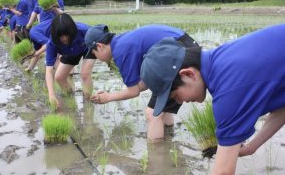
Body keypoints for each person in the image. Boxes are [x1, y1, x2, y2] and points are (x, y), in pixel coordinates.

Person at [140, 23, 285, 174]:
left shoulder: (228, 91)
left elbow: (223, 172)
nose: (178, 101)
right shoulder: (222, 61)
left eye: (175, 95)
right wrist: (252, 147)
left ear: (189, 74)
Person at [84, 24, 199, 141]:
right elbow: (145, 82)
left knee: (152, 114)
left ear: (99, 46)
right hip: (184, 45)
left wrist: (108, 97)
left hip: (178, 51)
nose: (97, 58)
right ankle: (168, 137)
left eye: (94, 54)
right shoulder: (122, 42)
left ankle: (157, 155)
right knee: (162, 104)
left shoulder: (121, 51)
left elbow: (133, 91)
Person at [45, 13, 95, 107]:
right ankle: (71, 98)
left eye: (66, 35)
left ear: (72, 30)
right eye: (60, 36)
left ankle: (87, 103)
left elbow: (103, 39)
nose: (64, 38)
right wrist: (51, 95)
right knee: (59, 77)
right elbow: (49, 70)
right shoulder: (52, 43)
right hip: (70, 52)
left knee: (85, 73)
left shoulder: (84, 30)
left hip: (87, 48)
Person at [25, 0, 64, 71]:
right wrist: (28, 26)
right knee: (37, 48)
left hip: (53, 26)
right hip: (43, 28)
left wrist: (54, 8)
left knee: (56, 55)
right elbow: (35, 11)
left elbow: (63, 14)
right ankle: (29, 68)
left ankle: (61, 76)